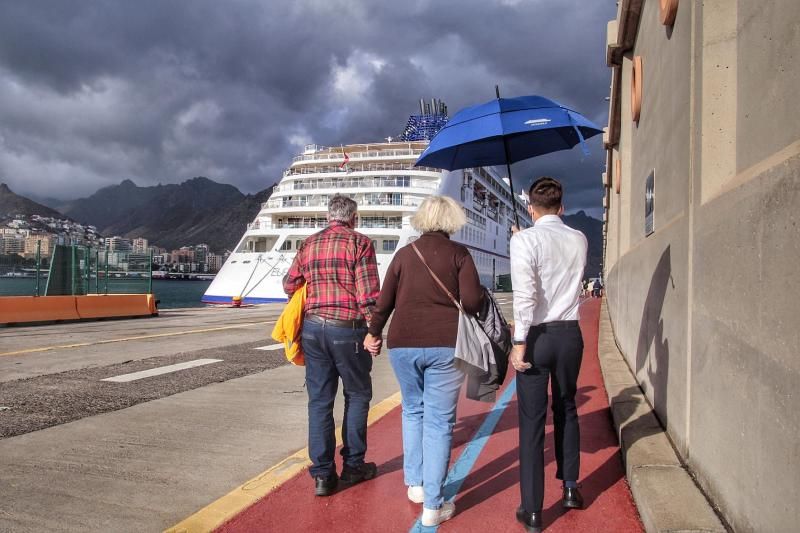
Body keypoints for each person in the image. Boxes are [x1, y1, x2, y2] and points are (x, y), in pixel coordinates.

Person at [364, 195, 483, 527]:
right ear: (451, 221)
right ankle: (433, 505)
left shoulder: (404, 254)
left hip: (403, 344)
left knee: (413, 410)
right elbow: (473, 303)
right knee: (439, 422)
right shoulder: (459, 253)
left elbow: (384, 301)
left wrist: (374, 332)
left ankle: (414, 485)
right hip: (446, 345)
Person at [283, 194, 381, 497]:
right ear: (354, 218)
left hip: (313, 330)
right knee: (357, 395)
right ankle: (353, 466)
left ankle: (323, 476)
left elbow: (289, 284)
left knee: (320, 402)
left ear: (329, 217)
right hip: (348, 330)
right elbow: (367, 295)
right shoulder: (360, 242)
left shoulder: (308, 244)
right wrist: (373, 331)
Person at [509, 177, 588, 533]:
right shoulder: (579, 238)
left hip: (538, 336)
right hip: (570, 334)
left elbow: (525, 296)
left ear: (530, 208)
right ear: (562, 206)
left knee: (532, 421)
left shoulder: (524, 240)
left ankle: (534, 509)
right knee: (567, 406)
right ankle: (570, 487)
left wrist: (519, 341)